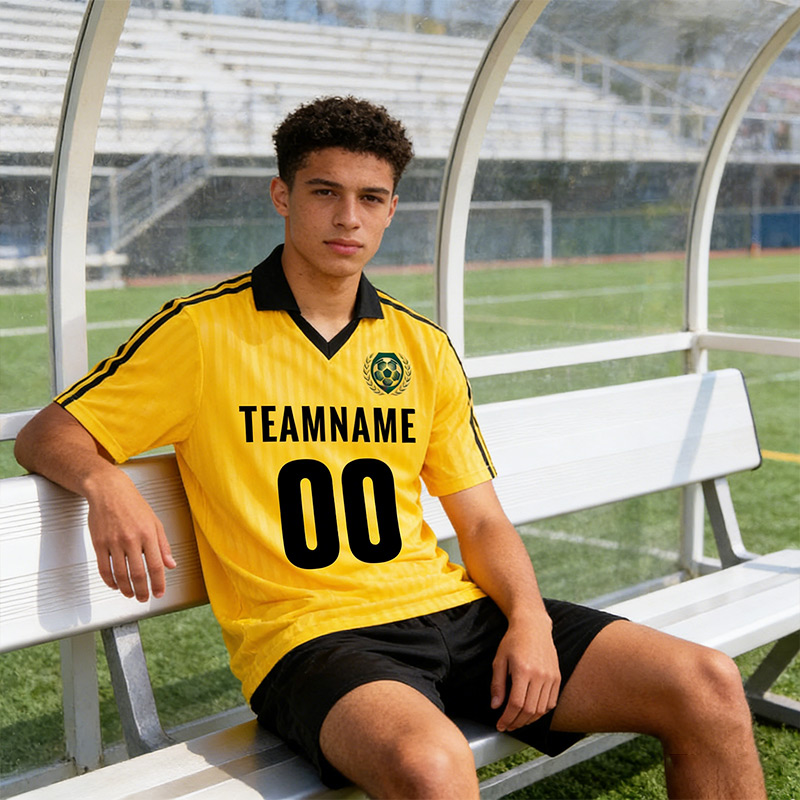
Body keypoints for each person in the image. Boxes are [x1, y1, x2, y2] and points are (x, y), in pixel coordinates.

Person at [15, 96, 765, 800]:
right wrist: (106, 484)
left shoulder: (421, 347)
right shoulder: (201, 333)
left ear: (392, 209)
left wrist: (530, 621)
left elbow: (481, 523)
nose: (349, 218)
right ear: (283, 197)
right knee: (429, 766)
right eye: (323, 192)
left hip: (451, 612)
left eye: (371, 198)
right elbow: (48, 433)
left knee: (706, 683)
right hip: (311, 638)